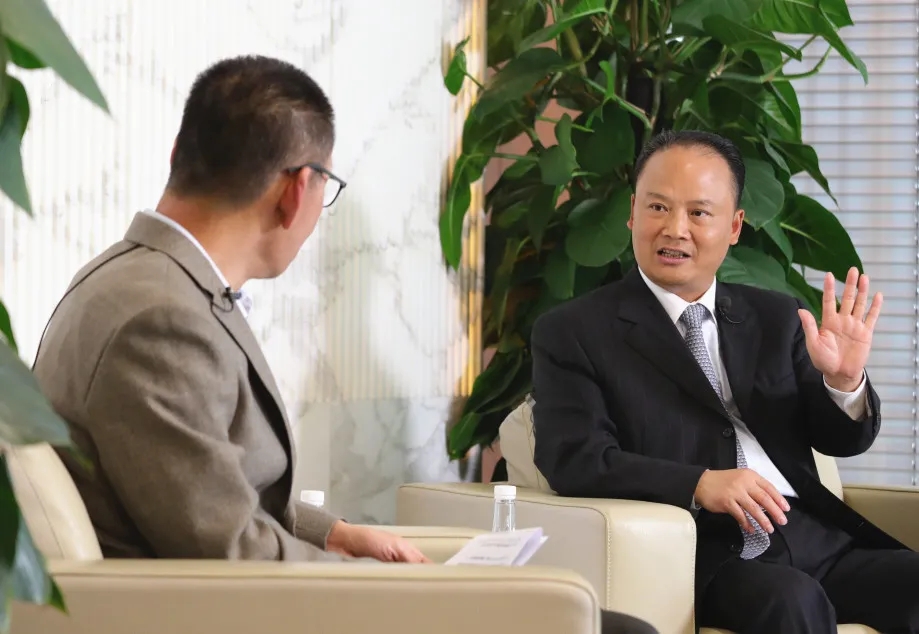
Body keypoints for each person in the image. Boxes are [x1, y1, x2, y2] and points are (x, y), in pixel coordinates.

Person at [32, 54, 656, 634]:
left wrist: (335, 533)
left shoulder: (130, 280)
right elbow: (231, 555)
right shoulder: (162, 322)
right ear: (296, 191)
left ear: (179, 154)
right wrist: (387, 589)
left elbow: (207, 494)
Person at [529, 129, 919, 634]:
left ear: (735, 226)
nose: (675, 229)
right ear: (632, 212)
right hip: (706, 551)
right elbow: (575, 458)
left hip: (811, 537)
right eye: (658, 207)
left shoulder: (777, 317)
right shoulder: (574, 331)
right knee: (792, 602)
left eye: (699, 213)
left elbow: (840, 440)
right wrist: (699, 483)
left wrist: (844, 381)